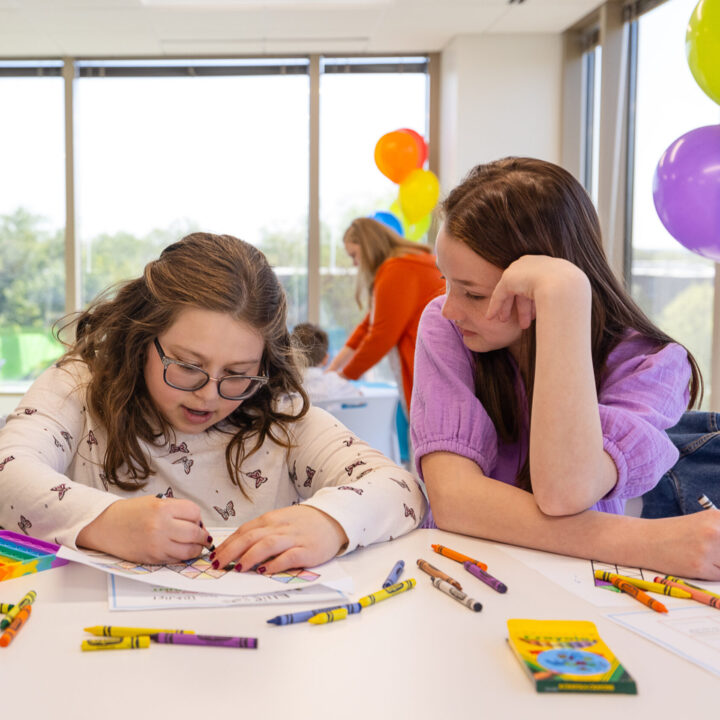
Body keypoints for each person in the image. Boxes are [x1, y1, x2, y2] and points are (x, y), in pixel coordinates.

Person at [0, 232, 426, 572]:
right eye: (187, 365)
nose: (208, 394)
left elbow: (402, 489)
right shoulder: (80, 382)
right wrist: (105, 521)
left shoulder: (278, 414)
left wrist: (330, 522)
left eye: (238, 373)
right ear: (143, 338)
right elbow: (8, 469)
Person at [411, 157, 720, 580]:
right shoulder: (446, 325)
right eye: (446, 281)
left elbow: (564, 492)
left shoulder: (653, 363)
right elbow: (455, 500)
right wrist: (646, 542)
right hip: (459, 573)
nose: (450, 307)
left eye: (475, 294)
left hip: (580, 587)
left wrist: (565, 296)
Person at [326, 217, 444, 411]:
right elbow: (367, 326)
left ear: (368, 247)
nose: (355, 263)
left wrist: (343, 376)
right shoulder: (410, 263)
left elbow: (380, 337)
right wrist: (332, 371)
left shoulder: (397, 270)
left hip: (427, 370)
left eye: (355, 255)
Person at [290, 322, 363, 402]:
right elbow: (361, 399)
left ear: (290, 356)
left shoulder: (286, 386)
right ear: (326, 359)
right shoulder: (335, 383)